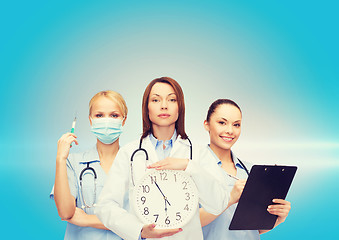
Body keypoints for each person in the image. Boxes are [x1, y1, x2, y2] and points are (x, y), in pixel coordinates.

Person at [95, 77, 230, 240]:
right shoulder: (129, 153)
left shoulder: (197, 153)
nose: (164, 105)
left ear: (180, 107)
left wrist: (189, 166)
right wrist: (139, 231)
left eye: (172, 99)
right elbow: (105, 206)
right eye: (156, 99)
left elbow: (219, 203)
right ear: (147, 108)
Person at [199, 99, 292, 239]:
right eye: (222, 123)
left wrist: (276, 219)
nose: (230, 130)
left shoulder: (251, 171)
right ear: (207, 124)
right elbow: (188, 223)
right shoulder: (194, 168)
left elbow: (251, 229)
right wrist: (229, 199)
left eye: (236, 125)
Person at [50, 90, 128, 239]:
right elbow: (66, 212)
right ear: (91, 120)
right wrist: (60, 158)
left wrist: (85, 219)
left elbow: (140, 222)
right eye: (99, 115)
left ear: (123, 120)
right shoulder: (73, 162)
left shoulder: (135, 163)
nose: (107, 120)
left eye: (114, 115)